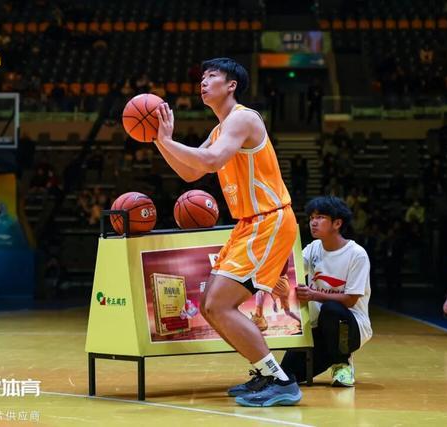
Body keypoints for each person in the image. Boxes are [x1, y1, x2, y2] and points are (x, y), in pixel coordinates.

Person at [154, 57, 301, 407]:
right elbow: (190, 173)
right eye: (202, 77)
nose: (203, 82)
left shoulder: (243, 119)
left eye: (212, 76)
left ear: (231, 85)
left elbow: (210, 161)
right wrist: (160, 141)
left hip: (269, 219)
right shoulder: (220, 129)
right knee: (210, 305)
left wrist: (166, 139)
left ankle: (281, 382)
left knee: (220, 304)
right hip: (248, 223)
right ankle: (266, 374)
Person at [280, 196, 372, 387]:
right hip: (318, 327)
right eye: (311, 217)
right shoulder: (314, 248)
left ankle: (342, 364)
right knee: (286, 374)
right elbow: (292, 270)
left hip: (351, 325)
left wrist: (314, 295)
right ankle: (333, 355)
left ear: (337, 223)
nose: (313, 222)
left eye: (320, 217)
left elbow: (350, 300)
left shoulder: (357, 254)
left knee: (331, 309)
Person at [251, 259, 302, 332]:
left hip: (281, 284)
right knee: (287, 312)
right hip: (283, 286)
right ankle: (300, 321)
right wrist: (274, 302)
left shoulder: (275, 270)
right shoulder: (274, 273)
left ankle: (259, 315)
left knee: (260, 290)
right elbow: (273, 289)